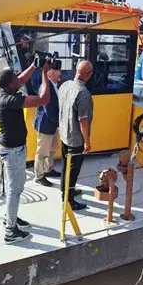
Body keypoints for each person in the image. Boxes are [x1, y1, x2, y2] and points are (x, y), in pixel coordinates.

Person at [0, 56, 52, 244]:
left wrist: (34, 65)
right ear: (11, 84)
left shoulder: (2, 91)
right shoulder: (10, 100)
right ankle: (10, 231)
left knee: (16, 188)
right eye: (16, 79)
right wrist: (45, 74)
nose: (19, 80)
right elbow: (44, 99)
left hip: (11, 147)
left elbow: (20, 80)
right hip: (12, 151)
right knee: (15, 190)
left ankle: (9, 217)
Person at [58, 60, 94, 211]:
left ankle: (65, 191)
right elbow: (83, 121)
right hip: (75, 139)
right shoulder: (83, 93)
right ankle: (69, 201)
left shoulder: (65, 85)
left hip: (64, 134)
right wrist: (87, 142)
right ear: (89, 74)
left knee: (65, 166)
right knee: (73, 171)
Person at [33, 60, 62, 187]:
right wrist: (59, 123)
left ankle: (48, 169)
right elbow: (49, 109)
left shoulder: (54, 85)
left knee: (53, 149)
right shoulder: (46, 86)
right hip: (46, 125)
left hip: (53, 124)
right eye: (57, 70)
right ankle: (39, 176)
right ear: (50, 73)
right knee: (42, 152)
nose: (60, 72)